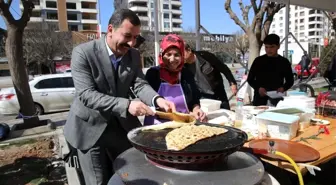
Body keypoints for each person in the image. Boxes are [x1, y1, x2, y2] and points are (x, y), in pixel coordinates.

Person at [63, 9, 175, 185]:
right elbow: (87, 95)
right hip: (89, 127)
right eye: (127, 36)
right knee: (97, 181)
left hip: (121, 126)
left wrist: (158, 100)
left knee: (132, 173)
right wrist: (128, 105)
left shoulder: (134, 55)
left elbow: (139, 84)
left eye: (136, 37)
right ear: (110, 29)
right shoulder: (83, 53)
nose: (131, 43)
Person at [144, 34, 206, 124]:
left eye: (177, 55)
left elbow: (194, 99)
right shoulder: (152, 74)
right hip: (156, 125)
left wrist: (196, 109)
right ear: (162, 55)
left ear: (182, 56)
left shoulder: (186, 74)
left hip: (182, 125)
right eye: (168, 54)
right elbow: (146, 100)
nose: (172, 59)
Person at [184, 44, 238, 110]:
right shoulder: (184, 67)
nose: (181, 56)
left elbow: (224, 68)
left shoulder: (205, 56)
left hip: (218, 94)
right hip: (202, 97)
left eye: (182, 53)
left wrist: (232, 83)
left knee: (225, 115)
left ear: (189, 50)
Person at [247, 34, 294, 106]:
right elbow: (250, 79)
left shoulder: (284, 62)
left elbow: (290, 80)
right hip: (259, 99)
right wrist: (258, 88)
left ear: (278, 46)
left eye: (272, 47)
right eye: (266, 47)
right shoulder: (258, 61)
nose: (269, 50)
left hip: (277, 98)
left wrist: (283, 88)